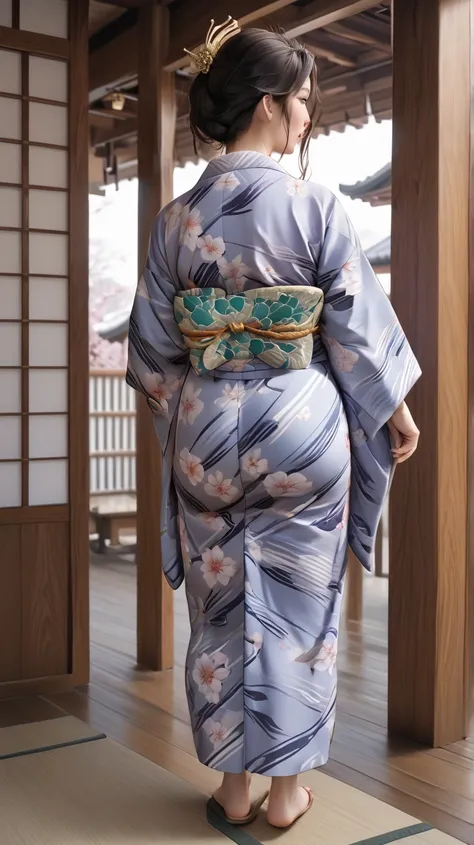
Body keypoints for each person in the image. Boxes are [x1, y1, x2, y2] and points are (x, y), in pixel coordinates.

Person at [126, 18, 420, 830]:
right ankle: (287, 793)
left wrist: (192, 417)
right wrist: (393, 409)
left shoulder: (176, 219)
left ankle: (231, 786)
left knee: (223, 606)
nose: (305, 121)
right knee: (300, 608)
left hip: (208, 434)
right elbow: (357, 327)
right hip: (302, 429)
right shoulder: (314, 206)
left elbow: (152, 356)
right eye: (300, 104)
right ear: (267, 104)